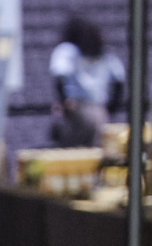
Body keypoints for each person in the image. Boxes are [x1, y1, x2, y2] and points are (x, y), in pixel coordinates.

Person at [49, 13, 126, 147]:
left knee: (72, 151)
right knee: (96, 151)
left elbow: (59, 76)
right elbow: (119, 79)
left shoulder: (67, 50)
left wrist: (64, 101)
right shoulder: (105, 53)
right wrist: (112, 108)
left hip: (76, 108)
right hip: (99, 110)